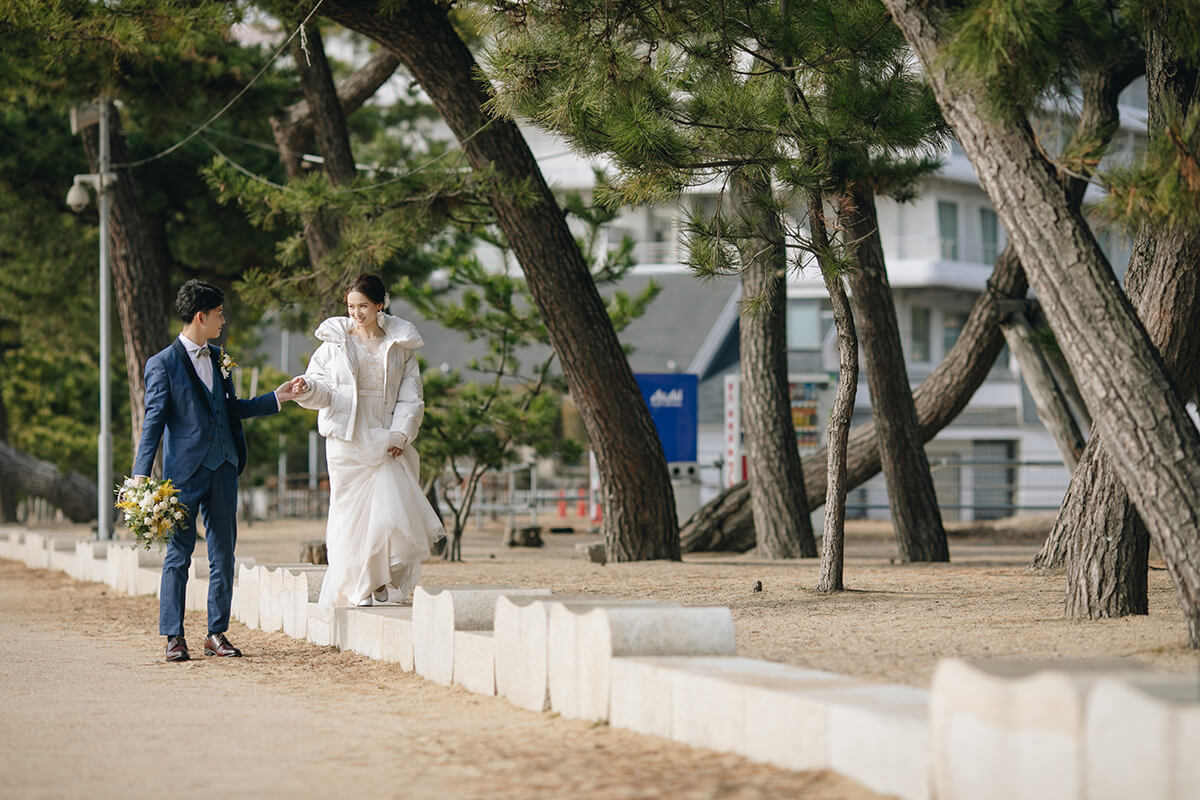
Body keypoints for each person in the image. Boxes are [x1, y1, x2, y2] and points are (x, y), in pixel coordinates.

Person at [133, 279, 305, 663]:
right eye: (219, 314)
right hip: (184, 475)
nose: (223, 321)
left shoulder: (221, 359)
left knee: (224, 554)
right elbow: (153, 422)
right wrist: (141, 474)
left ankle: (216, 632)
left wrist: (277, 397)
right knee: (178, 554)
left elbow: (230, 409)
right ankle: (174, 637)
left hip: (225, 468)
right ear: (200, 316)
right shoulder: (162, 364)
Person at [293, 273, 444, 608]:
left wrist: (402, 434)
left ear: (380, 304)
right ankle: (356, 584)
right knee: (347, 514)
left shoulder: (401, 348)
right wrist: (307, 388)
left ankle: (376, 579)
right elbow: (322, 386)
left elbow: (411, 397)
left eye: (363, 305)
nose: (356, 313)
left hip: (384, 435)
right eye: (350, 306)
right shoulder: (333, 344)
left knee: (385, 512)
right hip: (345, 439)